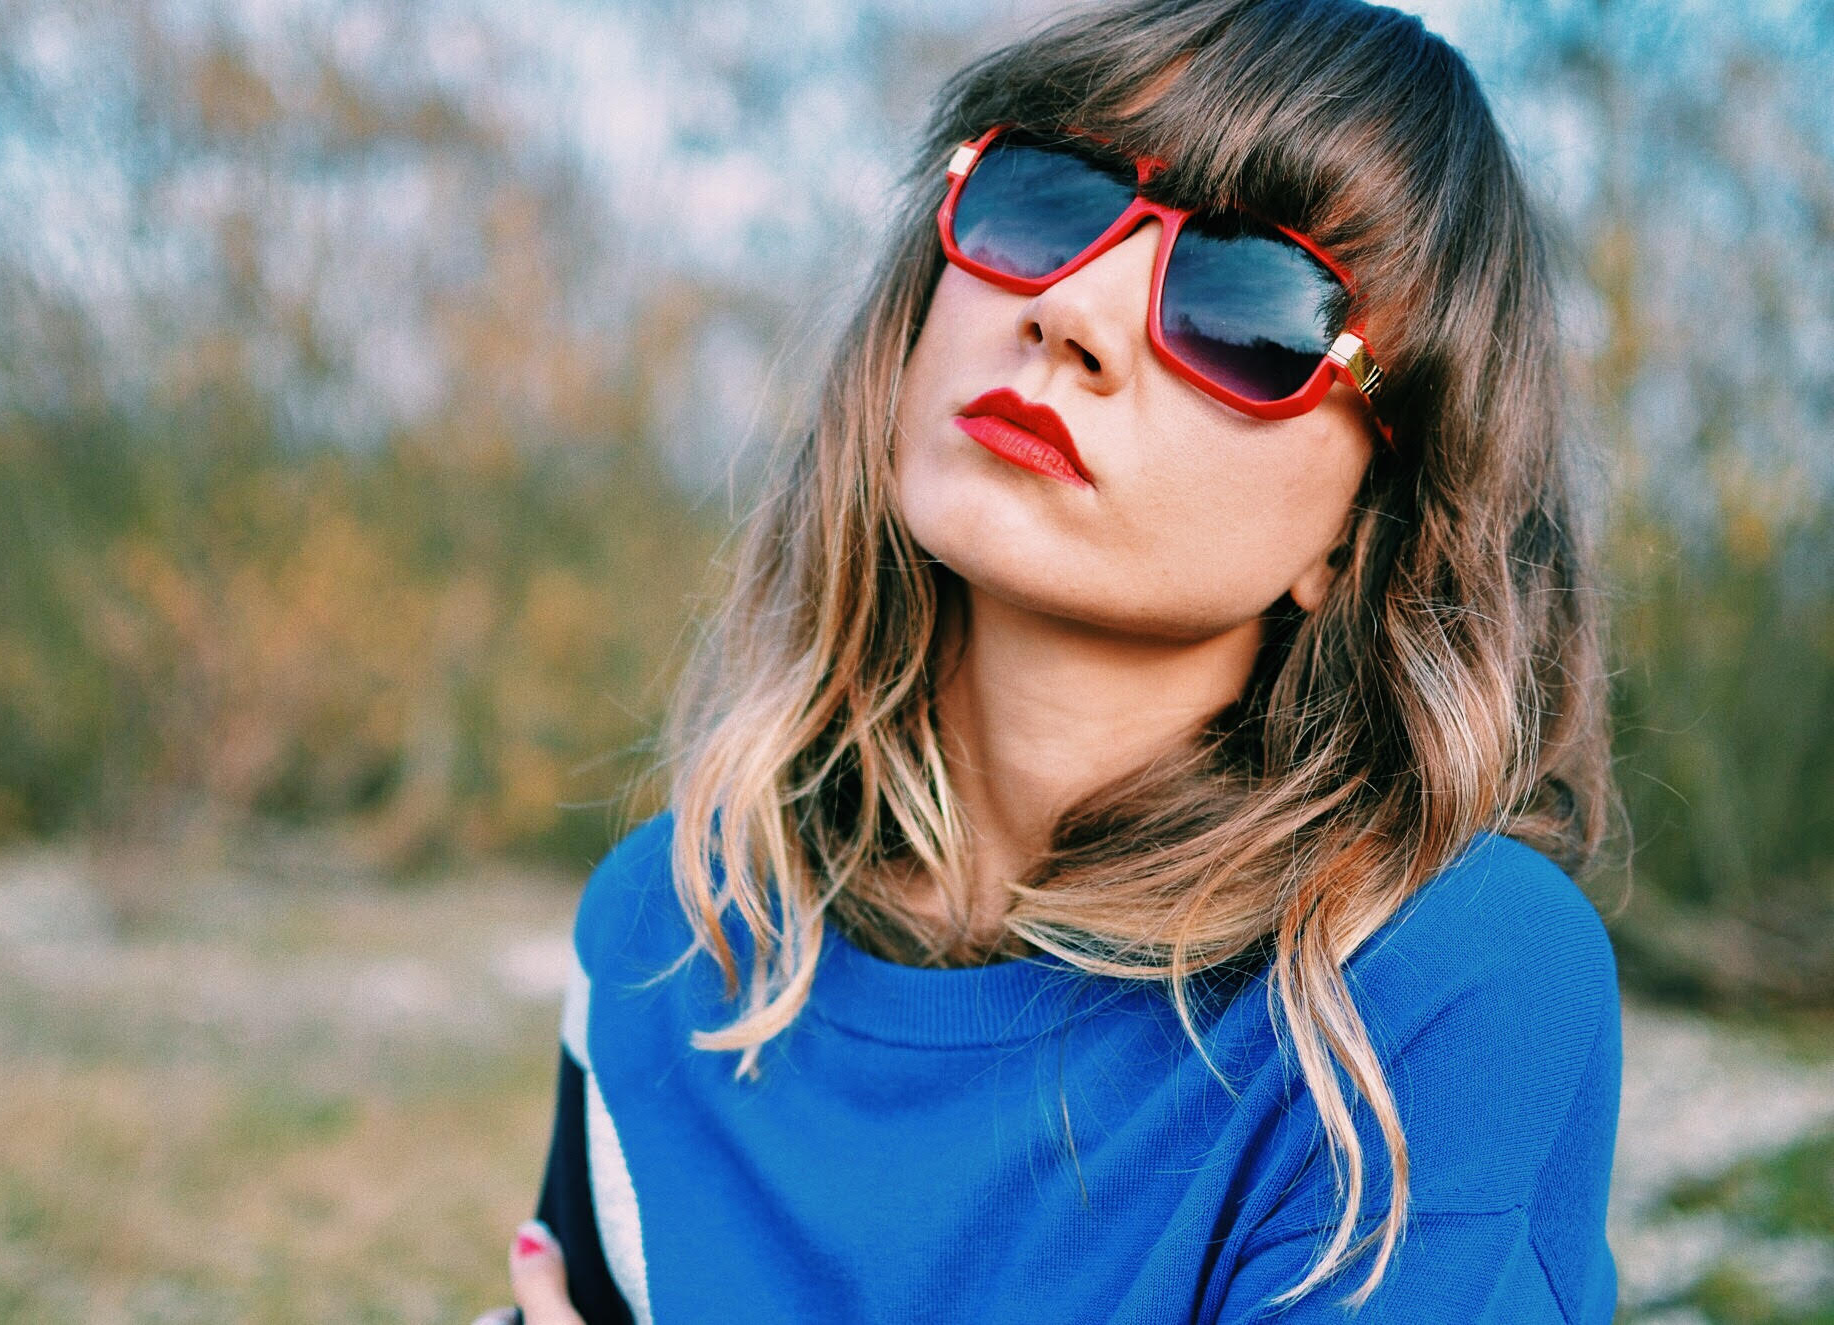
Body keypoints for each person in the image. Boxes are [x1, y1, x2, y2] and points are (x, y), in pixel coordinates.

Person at [490, 0, 1624, 1320]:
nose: (1071, 308)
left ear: (1364, 524)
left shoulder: (1430, 991)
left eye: (1252, 297)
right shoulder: (667, 925)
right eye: (1044, 199)